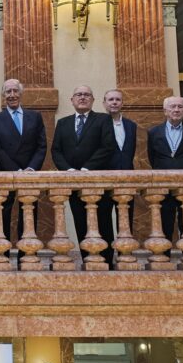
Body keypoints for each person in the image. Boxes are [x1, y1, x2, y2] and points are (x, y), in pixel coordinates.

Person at [51, 85, 116, 265]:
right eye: (78, 94)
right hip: (73, 182)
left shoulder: (103, 120)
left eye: (86, 95)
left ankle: (107, 262)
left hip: (97, 181)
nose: (82, 97)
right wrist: (69, 170)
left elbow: (107, 147)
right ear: (72, 100)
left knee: (103, 222)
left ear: (93, 100)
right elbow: (56, 150)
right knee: (80, 222)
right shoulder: (63, 123)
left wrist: (87, 169)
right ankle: (88, 260)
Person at [0, 79, 46, 249]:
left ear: (21, 94)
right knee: (3, 215)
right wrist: (16, 170)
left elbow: (41, 146)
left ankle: (27, 254)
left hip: (29, 174)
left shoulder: (35, 117)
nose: (12, 95)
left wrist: (30, 168)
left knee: (28, 215)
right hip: (5, 173)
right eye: (8, 92)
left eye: (15, 91)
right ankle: (2, 255)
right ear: (3, 96)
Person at [148, 96, 183, 246]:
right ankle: (164, 258)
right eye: (172, 107)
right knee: (164, 222)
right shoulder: (153, 132)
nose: (176, 110)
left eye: (180, 107)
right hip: (163, 186)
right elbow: (152, 158)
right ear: (165, 111)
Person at [102, 89, 137, 233]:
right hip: (104, 178)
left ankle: (125, 252)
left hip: (127, 178)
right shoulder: (98, 124)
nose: (114, 102)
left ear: (122, 103)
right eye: (111, 100)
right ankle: (107, 255)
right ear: (104, 103)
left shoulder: (131, 125)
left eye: (118, 99)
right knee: (104, 219)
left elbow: (130, 151)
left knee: (126, 220)